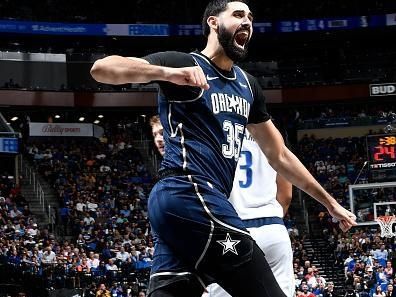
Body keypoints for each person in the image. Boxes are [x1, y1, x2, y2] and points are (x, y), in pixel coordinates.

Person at [91, 1, 356, 296]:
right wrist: (166, 73)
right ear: (214, 22)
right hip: (189, 190)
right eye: (239, 15)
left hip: (187, 206)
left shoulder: (248, 85)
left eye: (251, 18)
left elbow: (279, 155)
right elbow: (102, 69)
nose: (248, 23)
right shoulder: (183, 63)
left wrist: (329, 202)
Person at [150, 115, 294, 297]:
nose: (159, 139)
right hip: (273, 228)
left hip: (226, 230)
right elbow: (286, 193)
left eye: (163, 133)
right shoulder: (270, 132)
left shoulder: (206, 134)